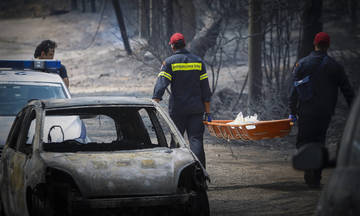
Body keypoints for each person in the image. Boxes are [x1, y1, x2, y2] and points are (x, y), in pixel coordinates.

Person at [289, 32, 355, 188]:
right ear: (328, 45)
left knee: (304, 142)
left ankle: (308, 171)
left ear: (314, 43)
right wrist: (354, 113)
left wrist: (292, 110)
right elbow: (348, 91)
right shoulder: (335, 66)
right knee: (319, 141)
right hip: (325, 112)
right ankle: (315, 176)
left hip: (305, 111)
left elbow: (293, 91)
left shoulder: (302, 64)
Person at [152, 33, 212, 168]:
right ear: (184, 44)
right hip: (196, 109)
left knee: (176, 142)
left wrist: (154, 103)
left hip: (178, 110)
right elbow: (206, 90)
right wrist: (208, 113)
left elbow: (161, 84)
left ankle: (174, 173)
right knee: (196, 141)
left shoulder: (169, 62)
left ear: (172, 46)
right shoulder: (198, 62)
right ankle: (200, 174)